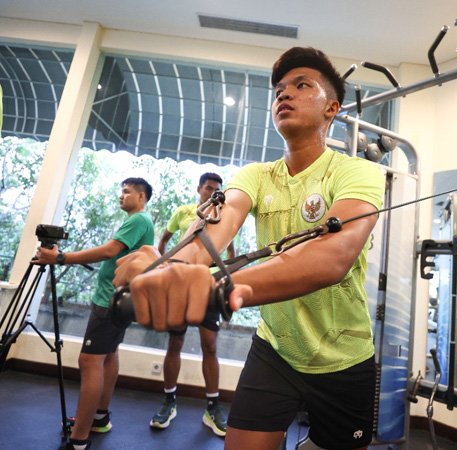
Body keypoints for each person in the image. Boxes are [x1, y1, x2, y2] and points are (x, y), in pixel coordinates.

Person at [114, 47, 385, 450]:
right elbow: (213, 231)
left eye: (301, 85)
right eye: (278, 89)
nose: (283, 94)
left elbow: (333, 258)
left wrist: (215, 288)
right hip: (275, 349)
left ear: (332, 107)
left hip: (344, 358)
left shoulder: (356, 171)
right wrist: (169, 267)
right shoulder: (256, 176)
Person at [34, 177, 155, 450]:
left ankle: (79, 438)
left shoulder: (138, 220)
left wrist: (61, 258)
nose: (121, 196)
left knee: (89, 361)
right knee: (108, 356)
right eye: (121, 191)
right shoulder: (139, 221)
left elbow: (110, 251)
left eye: (127, 192)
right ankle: (99, 417)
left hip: (110, 301)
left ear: (142, 196)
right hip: (119, 299)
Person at [151, 172, 234, 435]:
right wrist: (165, 263)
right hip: (182, 285)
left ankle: (212, 407)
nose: (212, 192)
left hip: (208, 288)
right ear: (199, 188)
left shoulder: (225, 217)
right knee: (175, 342)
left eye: (217, 189)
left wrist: (225, 279)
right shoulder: (185, 211)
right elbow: (164, 240)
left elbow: (230, 254)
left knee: (209, 346)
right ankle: (169, 401)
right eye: (208, 188)